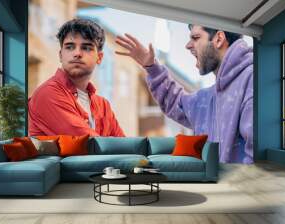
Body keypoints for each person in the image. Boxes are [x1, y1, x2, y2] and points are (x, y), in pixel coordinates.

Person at [115, 25, 253, 164]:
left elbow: (257, 160)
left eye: (196, 38)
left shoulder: (252, 80)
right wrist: (152, 67)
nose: (188, 45)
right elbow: (178, 103)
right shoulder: (211, 96)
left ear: (219, 39)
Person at [29, 18, 125, 137]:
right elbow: (88, 143)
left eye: (86, 47)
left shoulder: (103, 105)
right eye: (69, 47)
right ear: (60, 55)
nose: (77, 53)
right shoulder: (47, 94)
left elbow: (123, 145)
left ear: (99, 58)